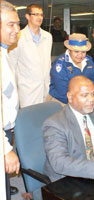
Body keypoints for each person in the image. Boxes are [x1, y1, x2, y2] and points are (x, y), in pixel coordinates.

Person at [43, 76, 94, 182]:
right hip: (69, 179)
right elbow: (59, 162)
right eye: (85, 95)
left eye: (93, 94)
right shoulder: (55, 124)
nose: (91, 99)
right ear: (70, 97)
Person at [8, 4, 52, 108]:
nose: (39, 17)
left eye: (41, 15)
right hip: (27, 92)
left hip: (46, 90)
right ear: (27, 16)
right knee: (30, 120)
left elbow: (48, 63)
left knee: (46, 119)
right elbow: (12, 67)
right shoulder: (18, 37)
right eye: (35, 14)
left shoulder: (48, 37)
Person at [0, 1, 20, 199]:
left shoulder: (3, 52)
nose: (17, 29)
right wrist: (5, 149)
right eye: (11, 24)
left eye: (17, 24)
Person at [48, 33, 94, 105]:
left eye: (83, 52)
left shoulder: (88, 61)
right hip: (62, 102)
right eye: (76, 51)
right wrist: (84, 93)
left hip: (84, 101)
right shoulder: (60, 64)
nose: (80, 55)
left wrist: (84, 95)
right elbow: (62, 91)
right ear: (69, 50)